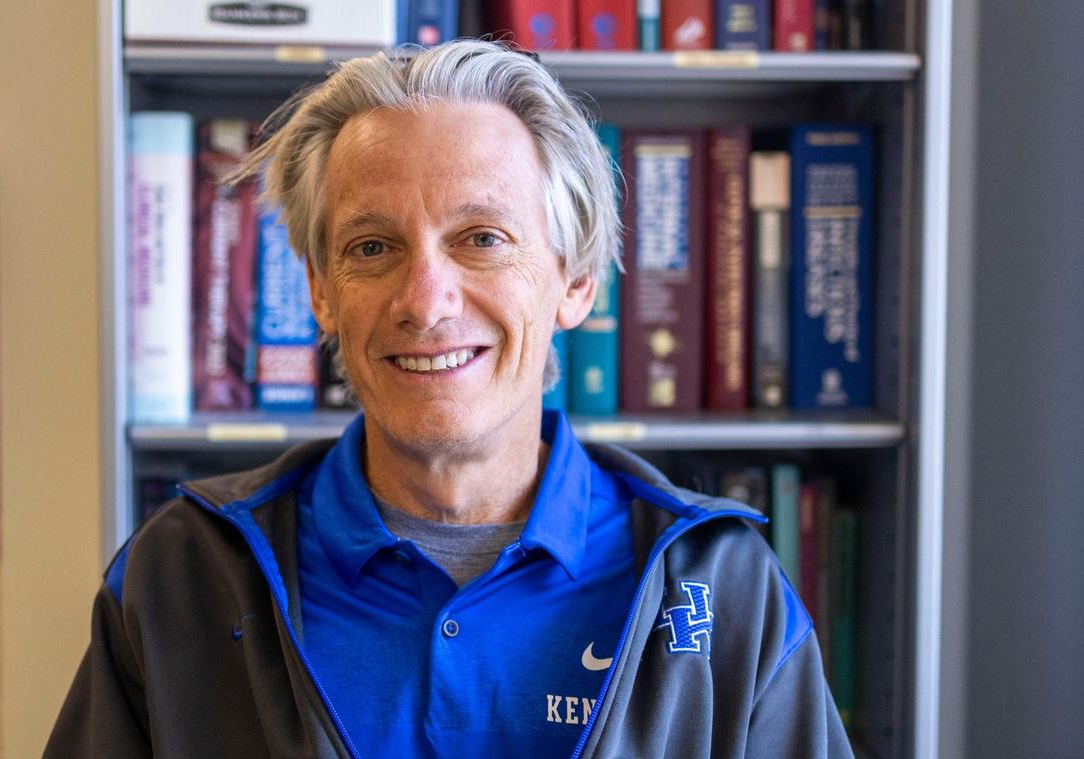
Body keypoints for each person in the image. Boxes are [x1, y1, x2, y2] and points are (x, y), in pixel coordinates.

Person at [47, 39, 852, 758]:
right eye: (373, 247)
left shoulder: (719, 587)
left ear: (575, 282)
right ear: (322, 293)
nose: (425, 301)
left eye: (481, 239)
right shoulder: (182, 578)